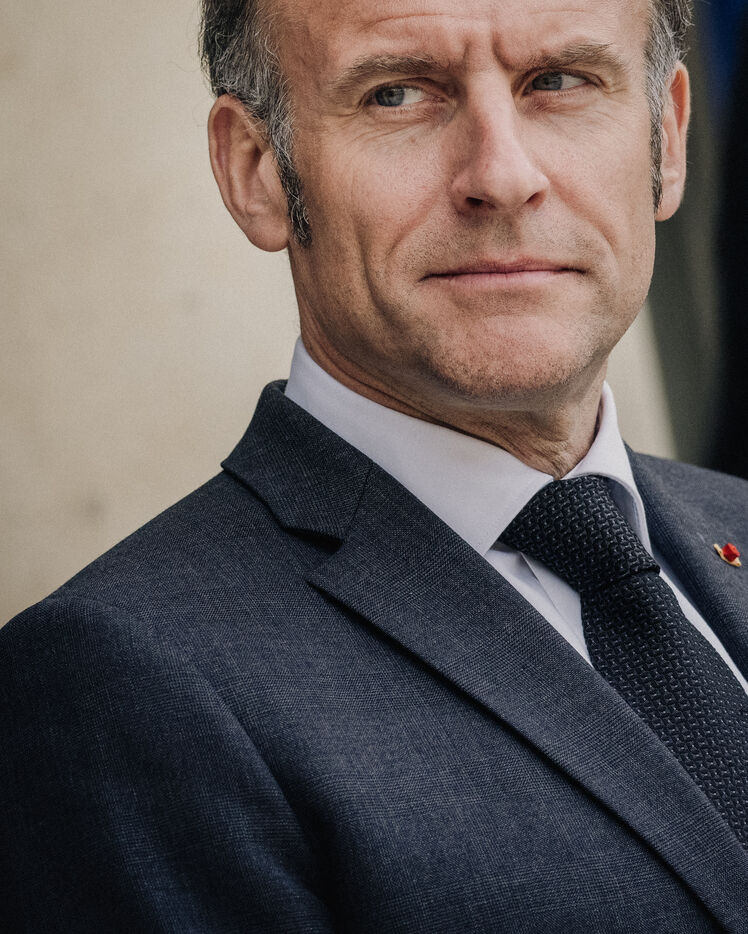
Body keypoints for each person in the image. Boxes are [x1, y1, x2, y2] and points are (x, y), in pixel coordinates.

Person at [2, 0, 747, 929]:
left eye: (559, 81)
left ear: (666, 140)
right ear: (257, 170)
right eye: (397, 94)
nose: (503, 176)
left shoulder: (736, 521)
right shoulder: (119, 686)